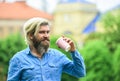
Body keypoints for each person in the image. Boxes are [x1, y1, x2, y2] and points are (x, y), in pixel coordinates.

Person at [7, 17, 86, 81]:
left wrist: (73, 51)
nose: (46, 35)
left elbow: (80, 73)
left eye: (48, 32)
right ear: (31, 35)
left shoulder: (57, 56)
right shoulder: (18, 59)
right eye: (42, 32)